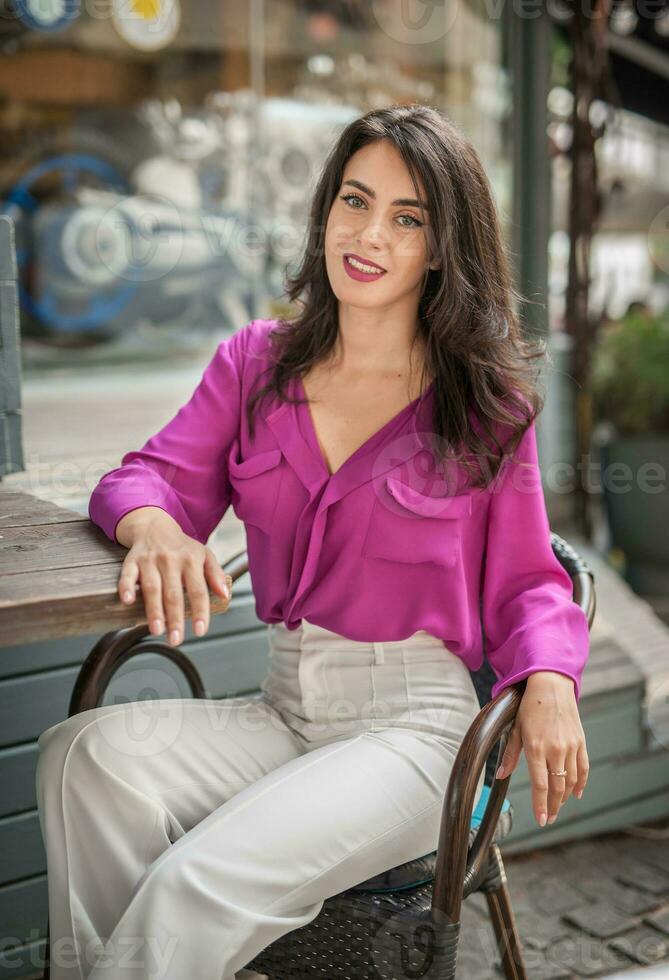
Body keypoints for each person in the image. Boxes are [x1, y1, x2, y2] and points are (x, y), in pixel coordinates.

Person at [35, 103, 591, 980]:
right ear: (325, 210)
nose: (368, 235)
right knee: (84, 759)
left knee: (191, 886)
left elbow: (528, 583)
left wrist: (551, 679)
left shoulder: (483, 407)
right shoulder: (255, 366)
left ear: (442, 247)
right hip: (287, 706)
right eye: (353, 201)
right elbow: (142, 480)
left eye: (406, 218)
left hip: (417, 735)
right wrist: (155, 529)